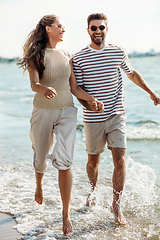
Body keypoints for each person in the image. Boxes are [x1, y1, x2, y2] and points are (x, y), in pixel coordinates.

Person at [72, 13, 160, 225]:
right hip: (92, 119)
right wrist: (90, 104)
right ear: (88, 31)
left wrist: (151, 92)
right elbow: (78, 91)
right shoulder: (79, 58)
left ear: (106, 29)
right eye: (94, 28)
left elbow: (132, 74)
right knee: (93, 161)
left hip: (116, 114)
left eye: (101, 27)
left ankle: (116, 205)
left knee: (119, 160)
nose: (98, 31)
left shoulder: (118, 52)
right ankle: (93, 193)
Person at [18, 14, 102, 235]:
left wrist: (91, 101)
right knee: (41, 154)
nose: (63, 29)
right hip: (43, 111)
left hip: (67, 111)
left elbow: (74, 88)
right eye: (59, 26)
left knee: (65, 161)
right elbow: (34, 84)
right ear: (48, 29)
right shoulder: (36, 54)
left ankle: (65, 214)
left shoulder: (67, 54)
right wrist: (44, 89)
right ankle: (39, 183)